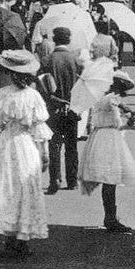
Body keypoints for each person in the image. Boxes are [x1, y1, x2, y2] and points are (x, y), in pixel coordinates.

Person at [0, 50, 52, 257]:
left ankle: (10, 237)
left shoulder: (2, 94)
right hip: (26, 145)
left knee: (8, 188)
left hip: (8, 144)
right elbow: (39, 129)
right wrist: (44, 153)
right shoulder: (34, 96)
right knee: (25, 188)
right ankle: (22, 239)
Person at [77, 71, 135, 233]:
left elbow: (116, 121)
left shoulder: (106, 100)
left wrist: (127, 120)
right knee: (110, 179)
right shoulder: (109, 99)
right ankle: (110, 217)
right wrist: (126, 110)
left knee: (110, 180)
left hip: (107, 138)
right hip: (107, 141)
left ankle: (110, 216)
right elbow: (114, 104)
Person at [41, 27, 81, 194]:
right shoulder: (76, 60)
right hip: (72, 107)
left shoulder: (47, 60)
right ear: (69, 40)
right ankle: (72, 180)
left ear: (54, 40)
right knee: (72, 145)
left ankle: (55, 179)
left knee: (54, 144)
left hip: (53, 107)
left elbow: (41, 84)